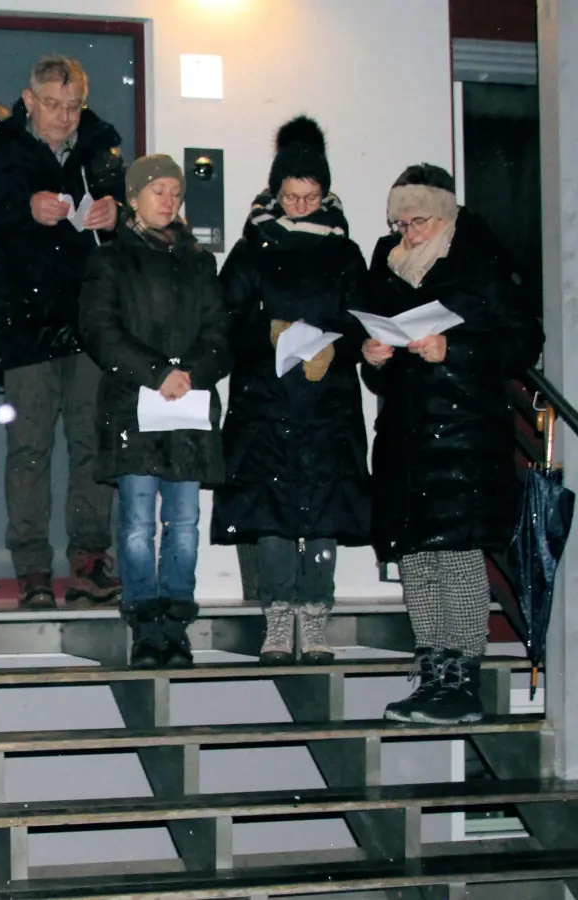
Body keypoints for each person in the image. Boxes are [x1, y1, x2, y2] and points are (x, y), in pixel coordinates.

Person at [360, 164, 543, 725]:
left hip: (465, 432)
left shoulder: (481, 259)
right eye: (400, 224)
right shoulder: (387, 264)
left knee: (458, 554)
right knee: (417, 557)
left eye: (418, 222)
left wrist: (454, 351)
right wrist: (374, 359)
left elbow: (522, 340)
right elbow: (379, 366)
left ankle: (463, 678)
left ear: (444, 216)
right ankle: (433, 675)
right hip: (406, 436)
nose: (408, 233)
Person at [0, 55, 125, 608]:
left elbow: (140, 223)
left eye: (74, 106)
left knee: (93, 445)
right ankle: (32, 571)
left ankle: (90, 563)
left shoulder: (103, 146)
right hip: (24, 323)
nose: (65, 117)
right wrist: (23, 209)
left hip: (92, 320)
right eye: (52, 104)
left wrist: (118, 214)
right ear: (28, 101)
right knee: (29, 448)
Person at [210, 117, 372, 666]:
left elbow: (364, 321)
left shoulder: (346, 253)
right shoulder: (251, 249)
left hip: (328, 401)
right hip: (265, 400)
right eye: (290, 196)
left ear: (325, 193)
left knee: (325, 506)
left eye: (310, 196)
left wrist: (338, 346)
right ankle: (278, 615)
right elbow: (224, 320)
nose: (300, 207)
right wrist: (270, 333)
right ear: (275, 192)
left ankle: (316, 613)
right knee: (270, 508)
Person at [79, 154, 230, 669]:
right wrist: (155, 372)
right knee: (138, 521)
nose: (168, 201)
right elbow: (100, 329)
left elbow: (220, 332)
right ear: (134, 198)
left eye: (175, 193)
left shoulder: (199, 262)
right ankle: (145, 621)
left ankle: (176, 621)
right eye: (158, 191)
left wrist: (192, 372)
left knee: (184, 521)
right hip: (133, 407)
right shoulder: (110, 260)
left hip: (187, 408)